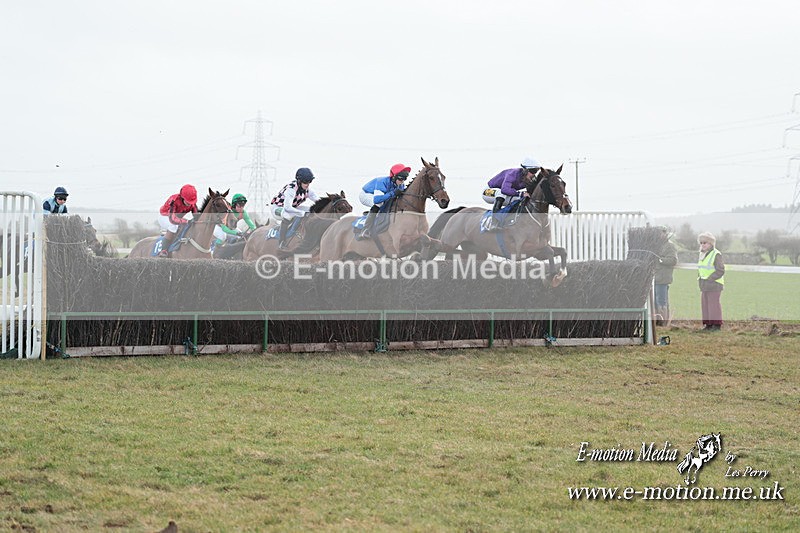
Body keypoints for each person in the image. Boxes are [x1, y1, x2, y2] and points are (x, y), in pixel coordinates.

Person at [484, 157, 542, 231]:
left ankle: (509, 221)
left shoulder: (528, 179)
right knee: (501, 193)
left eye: (536, 171)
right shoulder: (512, 174)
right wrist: (520, 194)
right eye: (533, 171)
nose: (534, 174)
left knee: (520, 199)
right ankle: (494, 222)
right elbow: (504, 189)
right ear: (525, 170)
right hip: (488, 192)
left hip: (504, 195)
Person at [270, 168, 320, 250]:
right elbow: (287, 207)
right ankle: (282, 242)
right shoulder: (291, 189)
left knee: (311, 210)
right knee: (288, 215)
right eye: (305, 182)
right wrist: (301, 213)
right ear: (299, 181)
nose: (307, 184)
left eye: (309, 181)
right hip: (278, 208)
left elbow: (319, 202)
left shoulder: (307, 190)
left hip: (293, 207)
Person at [358, 163, 410, 239]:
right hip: (366, 194)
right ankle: (365, 229)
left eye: (404, 179)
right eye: (400, 179)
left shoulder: (401, 185)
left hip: (380, 196)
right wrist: (393, 193)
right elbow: (377, 200)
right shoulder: (381, 182)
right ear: (394, 177)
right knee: (380, 203)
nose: (402, 181)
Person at [157, 184, 198, 257]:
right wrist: (187, 221)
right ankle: (164, 250)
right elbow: (172, 219)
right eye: (188, 202)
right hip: (165, 216)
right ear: (182, 197)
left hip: (177, 219)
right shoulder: (174, 200)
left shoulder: (192, 203)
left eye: (192, 202)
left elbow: (196, 216)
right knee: (173, 226)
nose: (190, 204)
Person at [697, 231, 725, 331]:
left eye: (705, 243)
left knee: (714, 305)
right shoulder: (702, 254)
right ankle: (708, 325)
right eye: (701, 243)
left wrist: (710, 279)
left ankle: (716, 325)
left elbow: (720, 270)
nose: (702, 245)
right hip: (704, 285)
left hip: (714, 285)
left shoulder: (716, 254)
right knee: (705, 305)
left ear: (711, 243)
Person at [654, 226, 678, 326]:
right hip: (655, 278)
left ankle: (663, 322)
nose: (659, 235)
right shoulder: (656, 245)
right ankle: (657, 321)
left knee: (662, 301)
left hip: (663, 279)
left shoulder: (670, 246)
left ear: (665, 234)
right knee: (656, 300)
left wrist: (660, 260)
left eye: (661, 233)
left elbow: (673, 260)